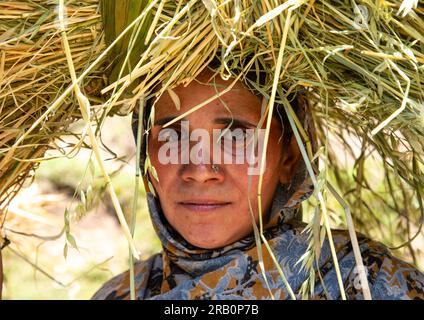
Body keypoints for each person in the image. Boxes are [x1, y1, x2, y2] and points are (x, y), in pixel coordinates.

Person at [92, 68, 424, 300]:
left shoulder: (365, 283)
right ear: (146, 155)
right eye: (173, 135)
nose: (200, 169)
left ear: (290, 157)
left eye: (234, 136)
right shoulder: (121, 294)